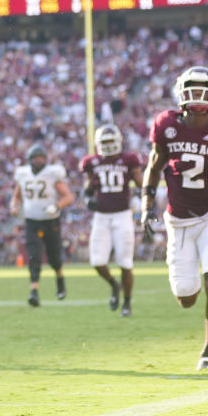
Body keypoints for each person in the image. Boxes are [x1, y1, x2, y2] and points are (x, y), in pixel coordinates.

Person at [141, 66, 208, 371]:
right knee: (186, 297)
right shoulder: (166, 124)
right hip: (178, 222)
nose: (198, 95)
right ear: (181, 93)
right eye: (192, 88)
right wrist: (146, 205)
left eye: (204, 89)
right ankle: (191, 284)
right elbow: (154, 165)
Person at [79, 125, 142, 316]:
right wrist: (87, 198)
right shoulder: (92, 162)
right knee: (97, 261)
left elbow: (141, 183)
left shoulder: (128, 159)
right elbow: (88, 188)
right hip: (101, 217)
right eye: (103, 143)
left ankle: (127, 302)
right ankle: (114, 285)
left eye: (110, 142)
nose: (107, 146)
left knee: (125, 262)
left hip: (123, 215)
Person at [12, 145, 75, 306]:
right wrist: (14, 206)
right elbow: (17, 196)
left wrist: (57, 206)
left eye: (41, 157)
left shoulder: (52, 174)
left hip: (50, 221)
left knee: (54, 257)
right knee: (34, 256)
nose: (38, 160)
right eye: (35, 158)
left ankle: (60, 280)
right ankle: (34, 291)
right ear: (29, 160)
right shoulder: (23, 174)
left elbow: (68, 196)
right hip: (32, 221)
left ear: (46, 159)